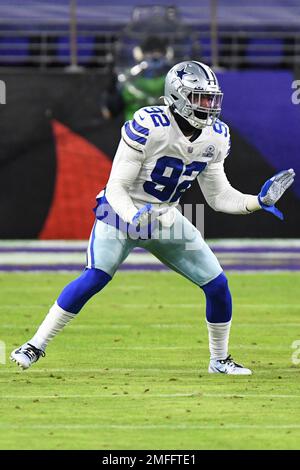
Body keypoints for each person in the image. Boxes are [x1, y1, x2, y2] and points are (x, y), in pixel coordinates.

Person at [11, 61, 295, 375]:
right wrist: (134, 217)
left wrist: (258, 201)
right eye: (201, 98)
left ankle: (220, 360)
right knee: (95, 277)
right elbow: (116, 186)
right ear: (178, 96)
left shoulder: (215, 136)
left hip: (164, 216)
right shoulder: (150, 124)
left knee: (217, 285)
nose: (209, 106)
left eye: (212, 98)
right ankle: (34, 345)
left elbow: (218, 196)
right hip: (119, 212)